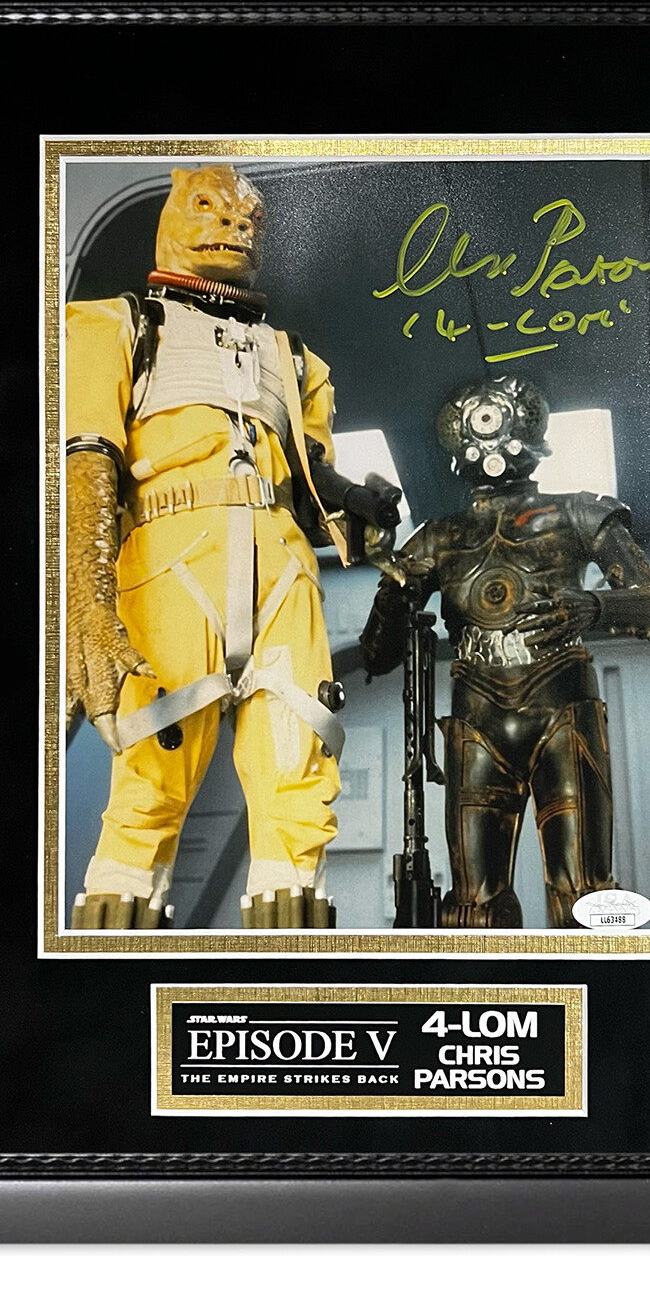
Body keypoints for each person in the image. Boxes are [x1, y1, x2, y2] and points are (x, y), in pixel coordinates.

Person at [64, 165, 399, 929]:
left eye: (250, 216)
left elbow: (308, 472)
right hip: (168, 561)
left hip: (283, 569)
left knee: (299, 762)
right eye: (210, 206)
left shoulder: (294, 359)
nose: (236, 223)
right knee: (151, 769)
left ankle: (289, 944)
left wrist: (351, 500)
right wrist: (87, 606)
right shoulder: (118, 326)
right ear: (172, 215)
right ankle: (116, 937)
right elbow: (88, 461)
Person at [361, 374, 650, 927]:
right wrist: (393, 586)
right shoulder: (434, 538)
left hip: (562, 713)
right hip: (478, 723)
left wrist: (594, 606)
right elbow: (377, 654)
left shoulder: (578, 513)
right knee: (472, 908)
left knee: (584, 897)